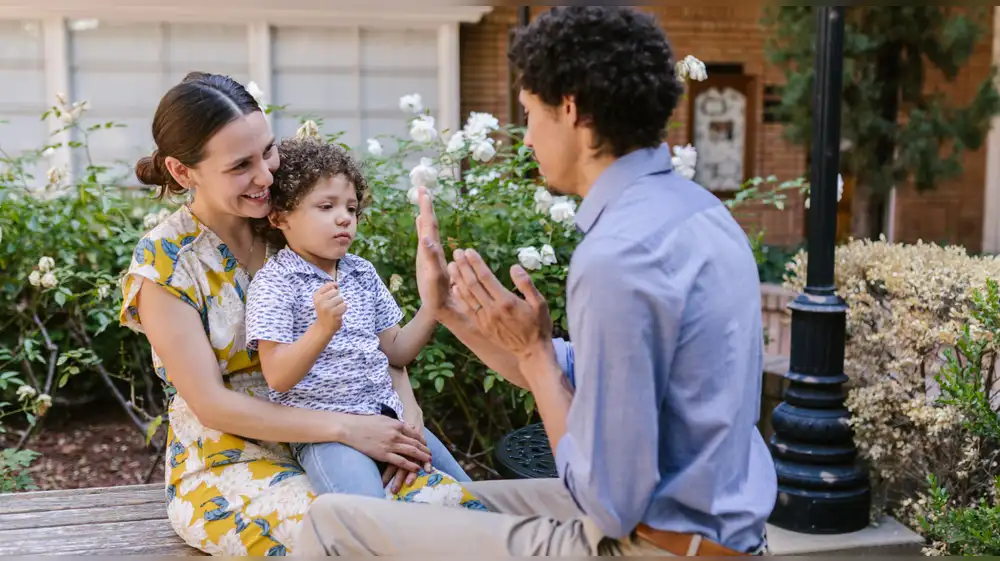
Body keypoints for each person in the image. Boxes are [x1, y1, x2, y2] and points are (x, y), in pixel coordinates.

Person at [295, 6, 776, 556]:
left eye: (529, 115)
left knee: (336, 522)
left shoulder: (618, 254)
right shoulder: (700, 212)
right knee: (452, 497)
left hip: (651, 545)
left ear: (571, 110)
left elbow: (608, 501)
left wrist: (538, 355)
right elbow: (575, 376)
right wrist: (450, 309)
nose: (525, 139)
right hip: (712, 528)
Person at [120, 71, 437, 556]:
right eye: (241, 165)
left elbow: (371, 342)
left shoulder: (290, 222)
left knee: (451, 512)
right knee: (356, 534)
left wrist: (405, 416)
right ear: (183, 172)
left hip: (352, 427)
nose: (266, 176)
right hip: (230, 460)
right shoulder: (167, 263)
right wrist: (348, 429)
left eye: (268, 151)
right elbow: (211, 404)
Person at [244, 135, 484, 507]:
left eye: (351, 208)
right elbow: (277, 375)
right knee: (368, 516)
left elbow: (397, 351)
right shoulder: (276, 282)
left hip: (390, 419)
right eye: (326, 206)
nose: (344, 217)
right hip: (327, 436)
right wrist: (322, 330)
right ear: (280, 216)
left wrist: (434, 306)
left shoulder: (361, 273)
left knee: (475, 499)